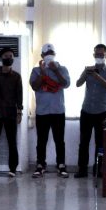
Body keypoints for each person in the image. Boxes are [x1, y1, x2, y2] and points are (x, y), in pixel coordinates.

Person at [74, 43, 106, 178]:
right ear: (93, 55)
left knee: (100, 143)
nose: (99, 57)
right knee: (84, 142)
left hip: (101, 112)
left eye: (101, 55)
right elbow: (78, 84)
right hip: (86, 110)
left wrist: (98, 77)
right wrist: (86, 74)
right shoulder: (88, 70)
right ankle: (82, 170)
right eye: (97, 54)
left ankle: (99, 170)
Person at [29, 43, 71, 178]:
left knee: (59, 140)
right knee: (41, 140)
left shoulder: (62, 68)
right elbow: (34, 86)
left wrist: (56, 70)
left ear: (55, 55)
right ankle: (40, 165)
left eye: (51, 53)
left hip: (58, 110)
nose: (49, 56)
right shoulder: (36, 70)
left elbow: (66, 84)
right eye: (46, 54)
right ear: (42, 56)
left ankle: (61, 165)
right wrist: (42, 74)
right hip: (42, 111)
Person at [0, 47, 23, 177]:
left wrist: (19, 112)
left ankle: (13, 168)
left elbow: (19, 96)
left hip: (11, 113)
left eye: (11, 56)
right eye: (6, 56)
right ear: (1, 58)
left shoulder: (17, 77)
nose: (9, 58)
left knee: (12, 142)